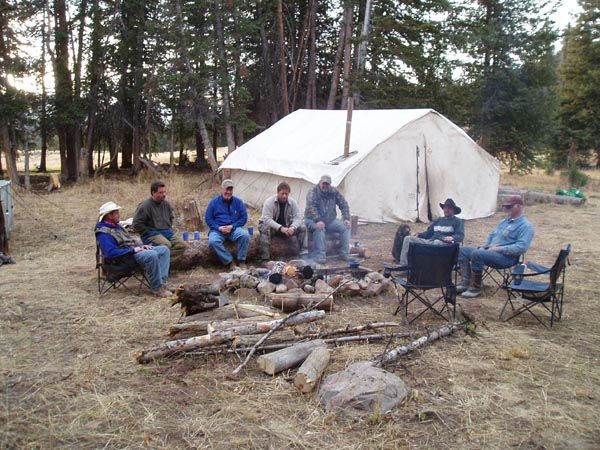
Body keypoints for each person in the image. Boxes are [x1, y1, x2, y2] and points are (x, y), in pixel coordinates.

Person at [458, 195, 534, 298]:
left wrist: (498, 249)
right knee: (462, 250)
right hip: (489, 252)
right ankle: (465, 282)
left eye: (509, 207)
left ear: (519, 207)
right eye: (505, 207)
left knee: (477, 254)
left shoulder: (526, 226)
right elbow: (492, 235)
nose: (506, 210)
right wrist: (485, 246)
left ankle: (475, 288)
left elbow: (521, 247)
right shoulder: (504, 222)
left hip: (506, 258)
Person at [95, 201, 172, 297]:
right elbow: (110, 253)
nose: (119, 215)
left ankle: (161, 284)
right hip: (124, 258)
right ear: (109, 216)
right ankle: (157, 288)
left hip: (132, 252)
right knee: (151, 255)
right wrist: (133, 250)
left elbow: (128, 241)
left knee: (164, 250)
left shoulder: (116, 226)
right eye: (117, 213)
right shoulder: (104, 233)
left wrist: (140, 246)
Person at [397, 198, 464, 267]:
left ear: (453, 210)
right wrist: (419, 235)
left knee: (437, 242)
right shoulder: (439, 220)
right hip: (431, 242)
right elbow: (429, 233)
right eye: (445, 208)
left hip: (445, 245)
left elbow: (460, 236)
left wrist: (452, 237)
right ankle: (404, 266)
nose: (446, 210)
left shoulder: (457, 221)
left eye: (449, 208)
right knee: (408, 239)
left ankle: (432, 267)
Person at [133, 181, 186, 263]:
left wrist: (168, 228)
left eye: (164, 192)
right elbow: (136, 224)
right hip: (151, 234)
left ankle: (162, 263)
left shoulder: (166, 204)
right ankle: (156, 265)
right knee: (166, 245)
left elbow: (170, 218)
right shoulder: (145, 206)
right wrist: (149, 231)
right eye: (160, 192)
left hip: (166, 231)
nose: (164, 194)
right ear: (153, 193)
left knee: (181, 245)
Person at [304, 174, 351, 263]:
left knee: (346, 228)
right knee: (319, 228)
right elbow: (311, 207)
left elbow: (344, 204)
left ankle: (344, 253)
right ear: (320, 183)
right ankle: (320, 255)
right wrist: (318, 220)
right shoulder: (313, 192)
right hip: (312, 219)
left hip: (330, 221)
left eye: (327, 184)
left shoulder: (334, 192)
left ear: (330, 184)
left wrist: (346, 218)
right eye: (324, 184)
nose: (325, 186)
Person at [205, 179, 250, 269]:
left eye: (230, 190)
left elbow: (244, 218)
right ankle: (229, 262)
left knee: (245, 235)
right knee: (212, 241)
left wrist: (232, 226)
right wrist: (218, 228)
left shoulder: (238, 202)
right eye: (226, 189)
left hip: (233, 229)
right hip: (218, 230)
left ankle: (241, 261)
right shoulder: (213, 203)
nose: (228, 192)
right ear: (222, 189)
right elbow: (208, 219)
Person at [258, 181, 306, 260]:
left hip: (287, 227)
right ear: (277, 192)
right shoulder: (269, 202)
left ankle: (304, 253)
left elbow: (298, 217)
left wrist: (293, 227)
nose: (284, 196)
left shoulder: (292, 202)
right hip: (273, 228)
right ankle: (265, 258)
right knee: (265, 228)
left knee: (303, 227)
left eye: (286, 194)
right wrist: (280, 228)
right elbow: (267, 219)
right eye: (282, 193)